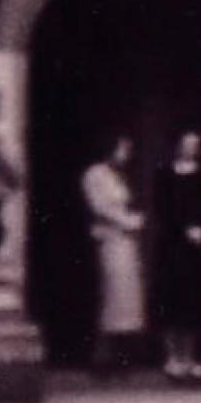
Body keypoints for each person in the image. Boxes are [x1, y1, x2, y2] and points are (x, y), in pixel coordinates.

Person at [151, 131, 201, 383]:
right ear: (178, 146)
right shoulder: (164, 174)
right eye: (188, 144)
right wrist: (183, 228)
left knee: (192, 301)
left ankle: (190, 357)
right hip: (171, 245)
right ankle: (172, 357)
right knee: (170, 300)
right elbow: (161, 208)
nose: (193, 148)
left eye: (196, 144)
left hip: (194, 249)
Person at [82, 135, 144, 375]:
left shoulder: (121, 176)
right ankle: (101, 357)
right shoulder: (95, 174)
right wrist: (128, 221)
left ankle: (120, 357)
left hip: (125, 241)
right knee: (110, 297)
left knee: (125, 301)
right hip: (108, 238)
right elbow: (100, 207)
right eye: (123, 149)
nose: (126, 155)